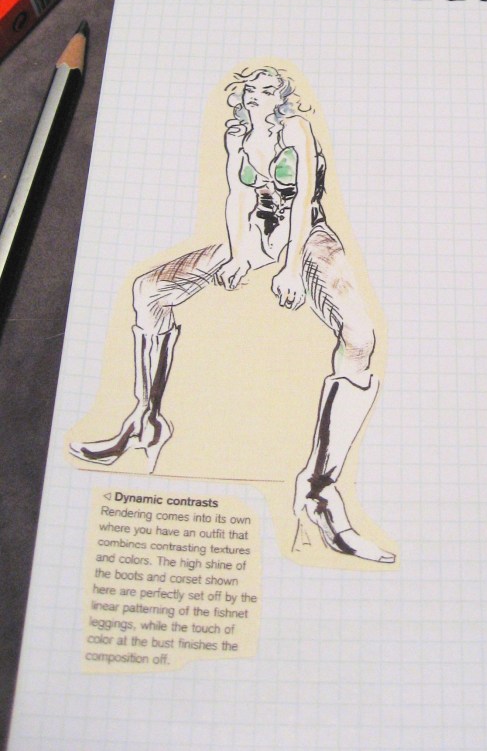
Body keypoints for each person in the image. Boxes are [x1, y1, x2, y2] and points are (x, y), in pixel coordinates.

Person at [70, 67, 393, 565]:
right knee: (149, 289)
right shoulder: (237, 133)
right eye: (252, 87)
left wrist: (291, 267)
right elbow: (238, 196)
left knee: (359, 337)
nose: (257, 94)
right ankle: (144, 419)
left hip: (307, 237)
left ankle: (320, 489)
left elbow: (304, 200)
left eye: (268, 89)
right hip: (257, 237)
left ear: (282, 98)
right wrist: (240, 254)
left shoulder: (295, 130)